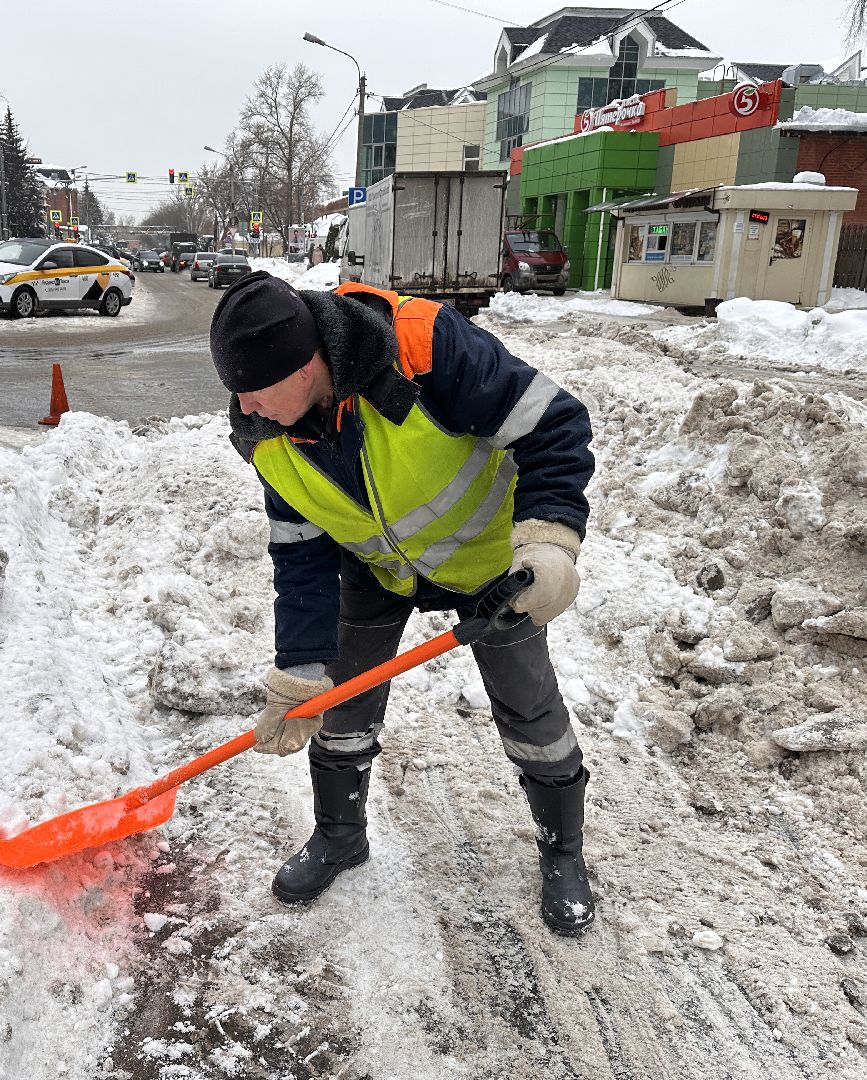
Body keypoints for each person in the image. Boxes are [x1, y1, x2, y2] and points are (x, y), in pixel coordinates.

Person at [208, 271, 597, 936]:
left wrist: (551, 543)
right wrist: (301, 670)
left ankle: (563, 850)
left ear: (307, 365)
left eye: (255, 386)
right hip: (378, 570)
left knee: (531, 709)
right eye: (234, 388)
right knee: (340, 706)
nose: (244, 405)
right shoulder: (265, 436)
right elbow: (300, 556)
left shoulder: (421, 346)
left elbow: (553, 425)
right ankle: (339, 833)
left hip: (495, 569)